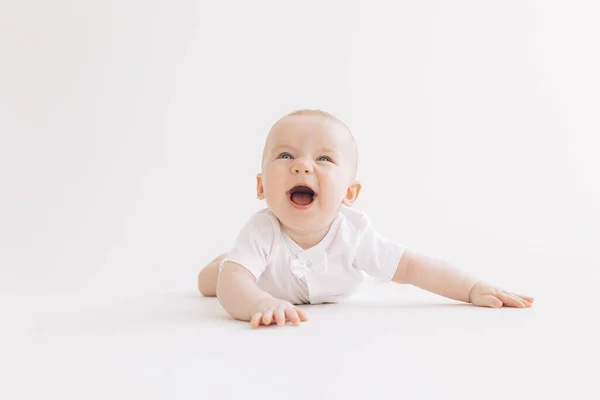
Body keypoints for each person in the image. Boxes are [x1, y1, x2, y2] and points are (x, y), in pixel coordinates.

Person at [197, 109, 534, 328]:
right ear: (261, 185)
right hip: (264, 280)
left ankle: (232, 261)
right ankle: (227, 261)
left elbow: (413, 267)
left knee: (234, 270)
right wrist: (260, 301)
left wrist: (471, 288)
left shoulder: (355, 235)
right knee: (215, 279)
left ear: (349, 193)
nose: (302, 166)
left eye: (324, 158)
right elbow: (233, 288)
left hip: (304, 281)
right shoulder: (262, 230)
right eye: (285, 155)